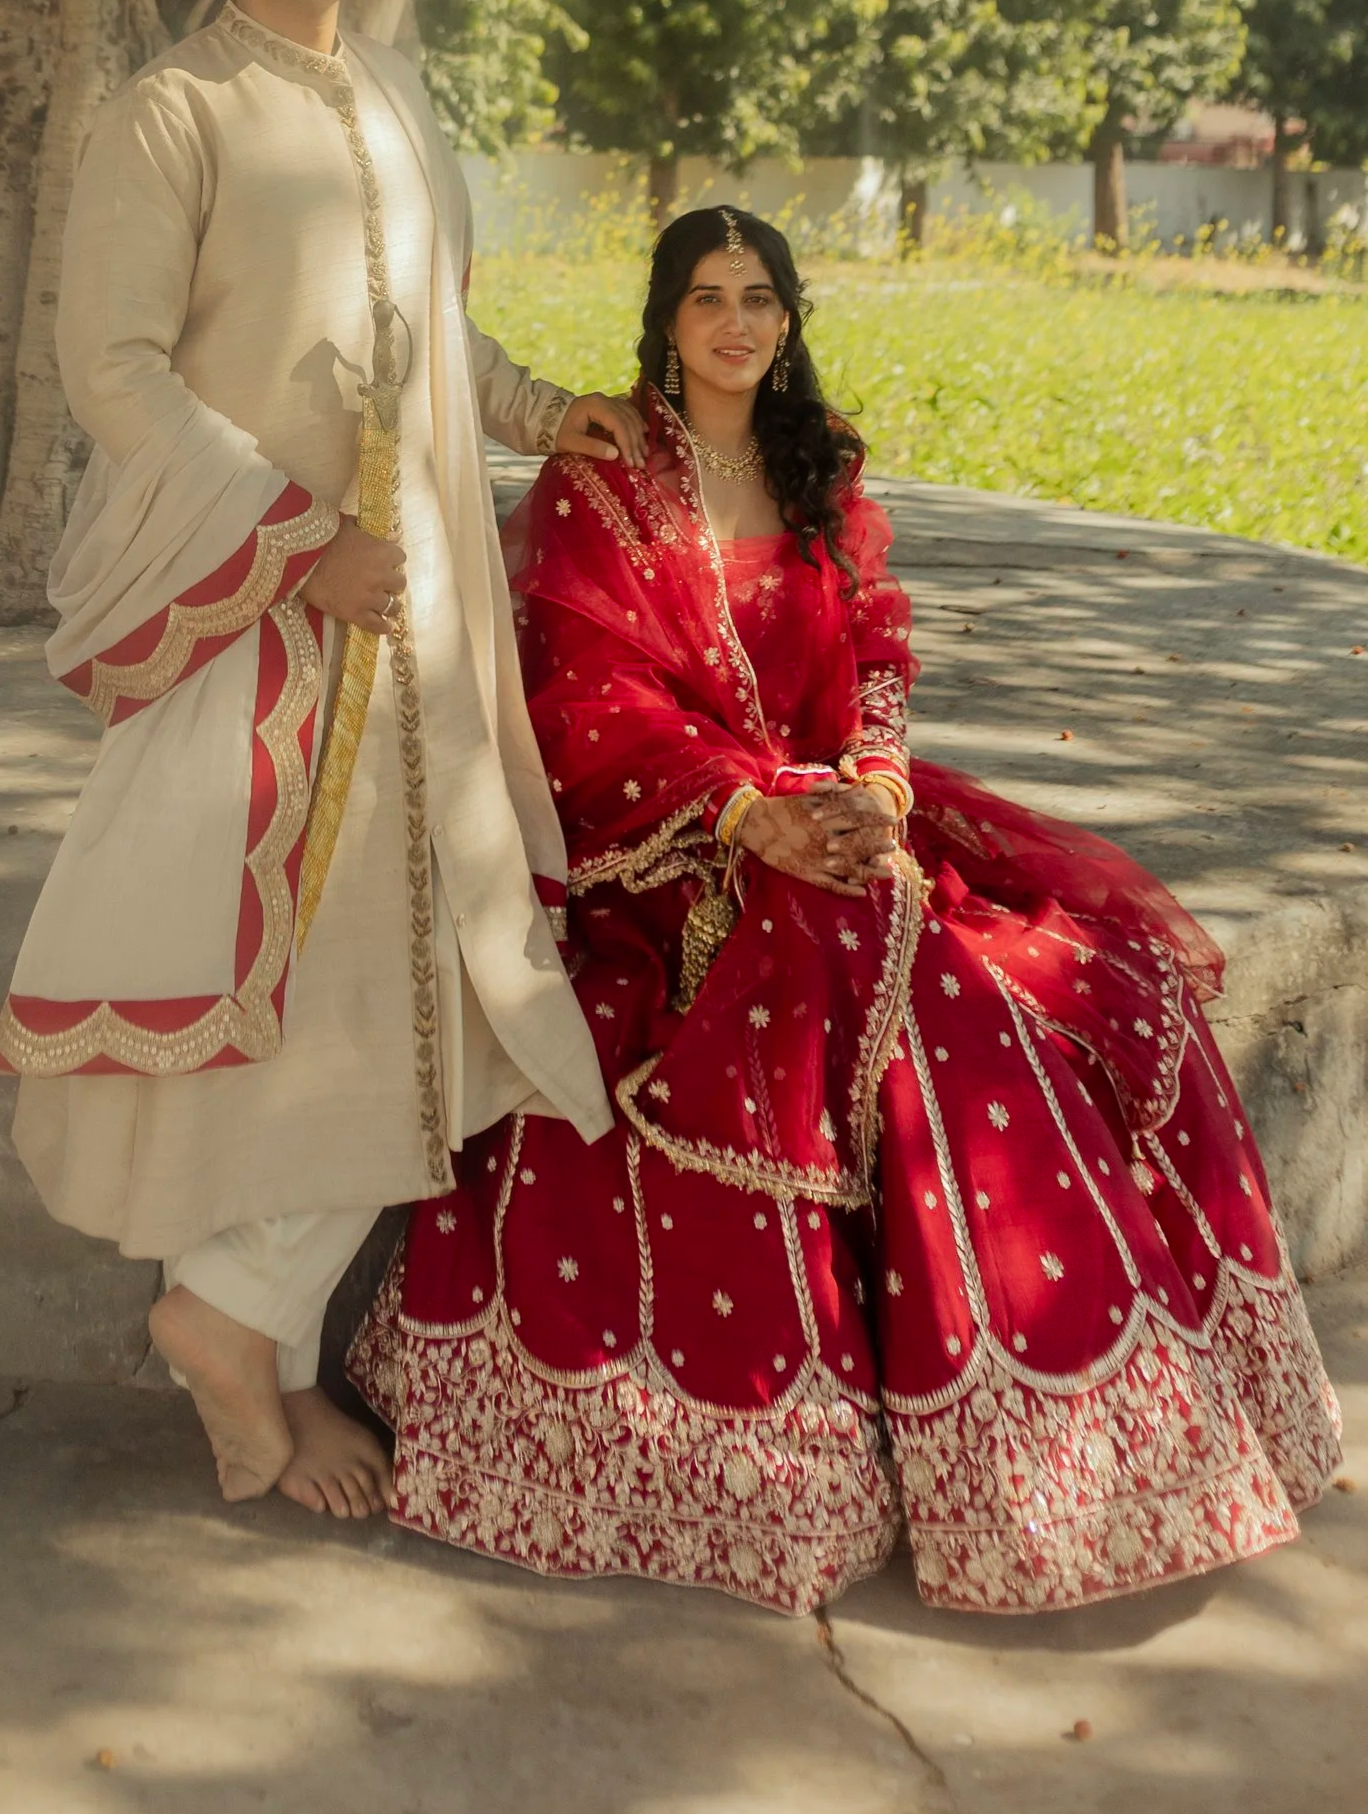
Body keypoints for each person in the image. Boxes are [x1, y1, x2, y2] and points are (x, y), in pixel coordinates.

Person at [351, 204, 1343, 1614]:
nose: (736, 323)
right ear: (663, 319)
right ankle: (909, 1445)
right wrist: (744, 810)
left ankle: (1080, 1441)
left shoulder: (824, 467)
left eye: (760, 296)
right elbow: (582, 697)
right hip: (668, 839)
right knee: (846, 934)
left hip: (840, 806)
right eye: (706, 298)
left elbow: (872, 650)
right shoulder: (605, 480)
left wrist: (872, 788)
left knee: (1035, 969)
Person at [0, 0, 638, 1520]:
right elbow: (110, 367)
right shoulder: (170, 111)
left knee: (422, 987)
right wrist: (285, 541)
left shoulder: (390, 99)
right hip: (262, 624)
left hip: (413, 629)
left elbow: (426, 334)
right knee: (304, 994)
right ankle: (236, 1337)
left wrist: (527, 414)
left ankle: (235, 1337)